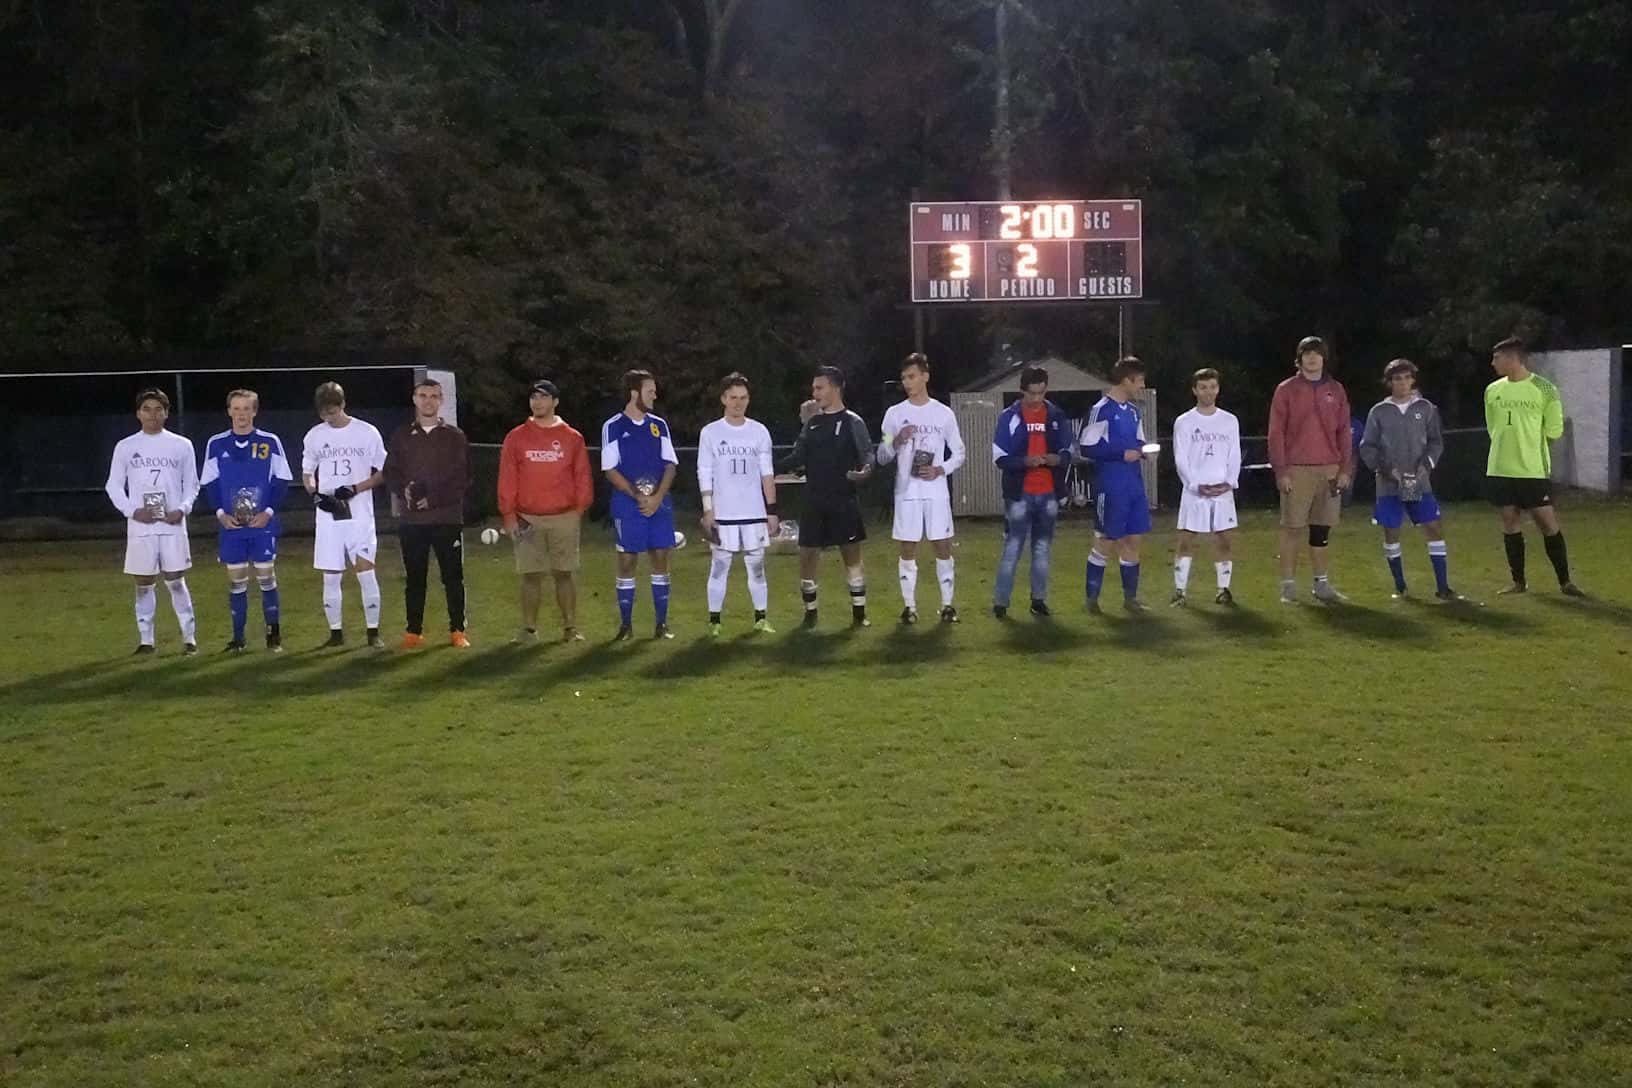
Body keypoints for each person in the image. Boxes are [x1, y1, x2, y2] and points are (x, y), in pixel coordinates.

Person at [1485, 337, 1584, 596]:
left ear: (1513, 358)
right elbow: (1492, 427)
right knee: (1509, 522)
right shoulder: (1492, 390)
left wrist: (1529, 447)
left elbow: (1553, 431)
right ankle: (1518, 582)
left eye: (1497, 358)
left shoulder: (1545, 389)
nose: (1493, 363)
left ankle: (1565, 582)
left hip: (1532, 470)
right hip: (1499, 468)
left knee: (1547, 523)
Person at [105, 388, 200, 654]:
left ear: (167, 413)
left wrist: (182, 509)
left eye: (158, 409)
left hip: (172, 526)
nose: (152, 414)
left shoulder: (182, 445)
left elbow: (192, 484)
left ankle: (189, 638)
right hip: (141, 528)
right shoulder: (125, 446)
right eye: (147, 409)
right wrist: (133, 511)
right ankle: (146, 641)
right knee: (144, 583)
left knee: (175, 580)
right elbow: (113, 486)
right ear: (138, 413)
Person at [498, 380, 594, 643]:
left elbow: (582, 476)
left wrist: (578, 509)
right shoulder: (516, 437)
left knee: (564, 573)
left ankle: (570, 628)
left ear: (555, 402)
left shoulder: (572, 437)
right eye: (534, 397)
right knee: (530, 575)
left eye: (543, 397)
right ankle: (529, 629)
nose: (537, 402)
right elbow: (507, 478)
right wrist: (509, 515)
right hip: (527, 517)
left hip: (564, 516)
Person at [779, 365, 874, 629]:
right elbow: (797, 457)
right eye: (814, 388)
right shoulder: (813, 424)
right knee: (807, 555)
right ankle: (810, 613)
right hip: (814, 500)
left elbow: (868, 453)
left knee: (852, 557)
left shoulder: (853, 422)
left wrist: (866, 470)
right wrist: (767, 466)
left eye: (819, 387)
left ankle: (859, 613)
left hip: (844, 500)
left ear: (835, 388)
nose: (815, 393)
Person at [1358, 359, 1459, 601]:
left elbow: (1436, 442)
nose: (1402, 383)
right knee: (1392, 531)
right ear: (1389, 382)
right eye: (1397, 379)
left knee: (1433, 527)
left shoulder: (1426, 408)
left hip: (1419, 482)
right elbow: (1367, 446)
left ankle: (1443, 587)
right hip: (1389, 484)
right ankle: (1400, 586)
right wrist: (1387, 470)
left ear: (1413, 380)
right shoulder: (1379, 412)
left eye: (1406, 378)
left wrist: (1426, 466)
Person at [199, 389, 292, 653]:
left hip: (262, 525)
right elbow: (210, 483)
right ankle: (238, 639)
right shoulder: (216, 443)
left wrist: (268, 512)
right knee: (236, 581)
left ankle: (273, 636)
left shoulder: (269, 441)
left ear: (255, 411)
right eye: (236, 409)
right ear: (229, 411)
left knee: (266, 576)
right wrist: (221, 514)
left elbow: (282, 479)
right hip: (232, 527)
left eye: (246, 409)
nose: (241, 414)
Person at [878, 353, 966, 624]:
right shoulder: (894, 414)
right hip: (907, 493)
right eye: (904, 378)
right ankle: (910, 607)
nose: (907, 382)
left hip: (936, 492)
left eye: (912, 376)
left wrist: (940, 469)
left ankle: (947, 605)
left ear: (925, 377)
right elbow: (882, 454)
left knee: (942, 546)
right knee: (907, 547)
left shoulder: (944, 414)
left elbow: (959, 452)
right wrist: (896, 441)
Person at [384, 377, 471, 649]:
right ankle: (413, 631)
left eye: (434, 396)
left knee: (453, 577)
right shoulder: (401, 436)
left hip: (446, 519)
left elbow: (462, 478)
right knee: (414, 577)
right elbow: (390, 473)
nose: (428, 401)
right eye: (423, 396)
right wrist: (405, 492)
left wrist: (432, 500)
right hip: (412, 522)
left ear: (441, 400)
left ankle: (458, 630)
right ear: (415, 399)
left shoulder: (455, 436)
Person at [301, 381, 388, 649]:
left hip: (359, 514)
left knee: (365, 570)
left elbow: (384, 471)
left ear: (343, 405)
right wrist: (316, 495)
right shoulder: (314, 435)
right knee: (331, 574)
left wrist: (355, 488)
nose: (328, 416)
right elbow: (307, 473)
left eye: (333, 410)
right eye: (323, 412)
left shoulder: (366, 432)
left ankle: (373, 632)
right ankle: (335, 633)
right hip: (329, 516)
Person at [1268, 335, 1353, 604]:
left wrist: (1344, 468)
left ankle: (1321, 585)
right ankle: (1288, 586)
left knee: (1321, 530)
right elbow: (1276, 433)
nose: (1312, 358)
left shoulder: (1336, 390)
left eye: (1317, 353)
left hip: (1328, 470)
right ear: (1299, 358)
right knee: (1292, 528)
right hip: (1297, 470)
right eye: (1307, 353)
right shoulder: (1286, 390)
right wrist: (1281, 471)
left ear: (1324, 358)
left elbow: (1344, 432)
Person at [698, 373, 780, 636]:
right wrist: (708, 509)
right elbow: (704, 472)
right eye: (733, 397)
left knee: (757, 568)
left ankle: (761, 618)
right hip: (724, 513)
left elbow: (767, 473)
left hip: (754, 512)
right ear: (723, 399)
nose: (738, 403)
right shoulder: (711, 432)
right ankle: (714, 621)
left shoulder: (759, 431)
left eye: (743, 398)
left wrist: (771, 511)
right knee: (720, 566)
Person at [990, 365, 1073, 618]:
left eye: (1041, 393)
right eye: (1032, 393)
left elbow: (1069, 451)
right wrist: (1025, 462)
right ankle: (1001, 603)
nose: (1037, 399)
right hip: (1020, 494)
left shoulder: (1056, 415)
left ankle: (1039, 600)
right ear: (1022, 391)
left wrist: (1057, 459)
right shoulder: (1010, 417)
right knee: (1013, 547)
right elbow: (999, 457)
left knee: (1042, 548)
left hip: (1048, 493)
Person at [602, 369, 680, 640]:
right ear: (634, 393)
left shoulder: (659, 425)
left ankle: (661, 624)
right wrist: (638, 496)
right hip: (628, 505)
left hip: (660, 504)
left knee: (660, 557)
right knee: (627, 561)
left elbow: (670, 465)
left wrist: (657, 498)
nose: (655, 395)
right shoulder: (613, 426)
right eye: (650, 391)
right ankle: (626, 626)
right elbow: (610, 469)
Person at [1081, 356, 1155, 613]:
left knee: (1133, 539)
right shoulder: (1101, 410)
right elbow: (1086, 447)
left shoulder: (1133, 411)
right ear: (1126, 380)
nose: (1142, 386)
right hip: (1110, 485)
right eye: (1140, 381)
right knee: (1106, 540)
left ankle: (1130, 599)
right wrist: (1120, 454)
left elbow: (1139, 442)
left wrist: (1145, 452)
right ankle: (1092, 599)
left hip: (1133, 484)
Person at [1171, 368, 1241, 606]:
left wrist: (1229, 482)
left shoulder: (1229, 421)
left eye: (1212, 387)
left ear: (1218, 389)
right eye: (1203, 387)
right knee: (1186, 540)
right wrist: (1194, 485)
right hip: (1195, 492)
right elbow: (1181, 457)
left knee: (1224, 540)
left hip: (1222, 491)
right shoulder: (1184, 422)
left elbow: (1234, 454)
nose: (1208, 392)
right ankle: (1180, 591)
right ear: (1194, 390)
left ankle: (1223, 589)